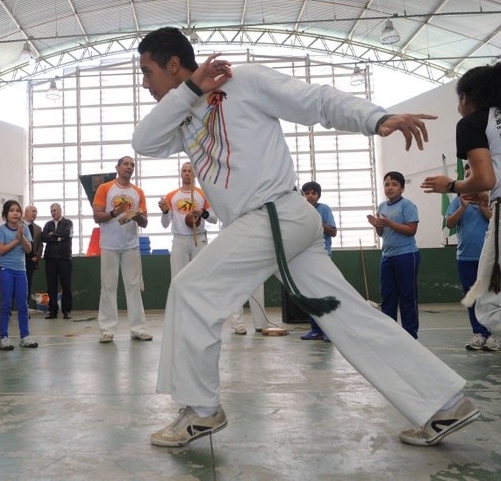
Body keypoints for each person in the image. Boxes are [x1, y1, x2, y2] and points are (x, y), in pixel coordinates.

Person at [132, 26, 476, 448]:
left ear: (172, 64)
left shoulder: (244, 81)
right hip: (273, 227)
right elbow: (143, 143)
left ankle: (200, 411)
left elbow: (316, 101)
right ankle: (445, 403)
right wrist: (187, 92)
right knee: (347, 315)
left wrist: (376, 118)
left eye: (147, 72)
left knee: (190, 290)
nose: (144, 83)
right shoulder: (181, 114)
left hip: (274, 215)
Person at [421, 61, 501, 342]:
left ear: (466, 98)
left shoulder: (473, 123)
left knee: (488, 304)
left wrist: (452, 185)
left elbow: (485, 180)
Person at [93, 156, 152, 343]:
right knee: (108, 287)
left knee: (133, 287)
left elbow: (145, 221)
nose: (129, 167)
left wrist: (137, 217)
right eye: (126, 164)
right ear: (117, 168)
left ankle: (138, 329)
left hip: (130, 246)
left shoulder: (138, 192)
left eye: (132, 165)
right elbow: (97, 216)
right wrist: (114, 213)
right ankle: (107, 330)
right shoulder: (105, 188)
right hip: (109, 245)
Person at [443, 164, 495, 350]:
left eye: (473, 175)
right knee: (472, 297)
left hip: (488, 258)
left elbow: (493, 219)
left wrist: (482, 204)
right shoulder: (458, 201)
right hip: (465, 257)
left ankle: (493, 334)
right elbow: (449, 223)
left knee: (489, 296)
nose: (469, 178)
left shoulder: (489, 198)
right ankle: (479, 333)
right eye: (466, 175)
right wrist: (463, 207)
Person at [367, 171, 420, 339]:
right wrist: (377, 225)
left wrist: (390, 222)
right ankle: (389, 333)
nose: (390, 188)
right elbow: (382, 234)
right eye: (387, 184)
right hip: (387, 256)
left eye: (394, 184)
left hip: (406, 255)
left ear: (402, 188)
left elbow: (411, 231)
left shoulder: (407, 205)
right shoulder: (382, 206)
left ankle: (410, 334)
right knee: (388, 296)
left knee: (407, 295)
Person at [159, 161, 217, 279]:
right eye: (184, 171)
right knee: (178, 277)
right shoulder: (171, 196)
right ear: (180, 174)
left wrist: (203, 213)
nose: (187, 173)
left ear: (195, 174)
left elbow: (214, 219)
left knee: (200, 277)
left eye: (190, 171)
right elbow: (165, 224)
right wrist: (165, 212)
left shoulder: (203, 194)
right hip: (179, 240)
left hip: (199, 239)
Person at [0, 200, 38, 350]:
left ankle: (25, 336)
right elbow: (1, 250)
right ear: (5, 214)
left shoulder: (24, 228)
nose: (15, 213)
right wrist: (16, 240)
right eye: (11, 210)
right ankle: (4, 337)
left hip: (21, 271)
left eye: (17, 210)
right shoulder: (1, 230)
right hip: (6, 270)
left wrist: (23, 237)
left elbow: (28, 249)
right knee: (6, 304)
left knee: (23, 305)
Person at [300, 181, 337, 342]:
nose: (310, 196)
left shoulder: (324, 209)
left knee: (323, 294)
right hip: (305, 258)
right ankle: (315, 330)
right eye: (307, 193)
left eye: (313, 193)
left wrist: (318, 222)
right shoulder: (299, 211)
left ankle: (329, 330)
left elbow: (333, 232)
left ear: (318, 195)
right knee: (310, 295)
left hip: (322, 256)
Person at [41, 203, 74, 319]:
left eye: (55, 210)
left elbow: (67, 234)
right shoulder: (48, 224)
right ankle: (53, 311)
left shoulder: (68, 223)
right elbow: (44, 237)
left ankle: (66, 311)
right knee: (51, 286)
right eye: (51, 211)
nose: (53, 212)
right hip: (50, 259)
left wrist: (53, 235)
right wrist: (58, 238)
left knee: (66, 286)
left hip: (65, 258)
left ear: (60, 210)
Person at [23, 205, 43, 303]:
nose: (35, 214)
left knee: (27, 285)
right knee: (13, 286)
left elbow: (40, 245)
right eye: (33, 211)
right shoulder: (17, 225)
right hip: (19, 260)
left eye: (36, 212)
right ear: (26, 212)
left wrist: (37, 257)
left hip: (30, 261)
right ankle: (8, 310)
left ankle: (25, 309)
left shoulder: (38, 229)